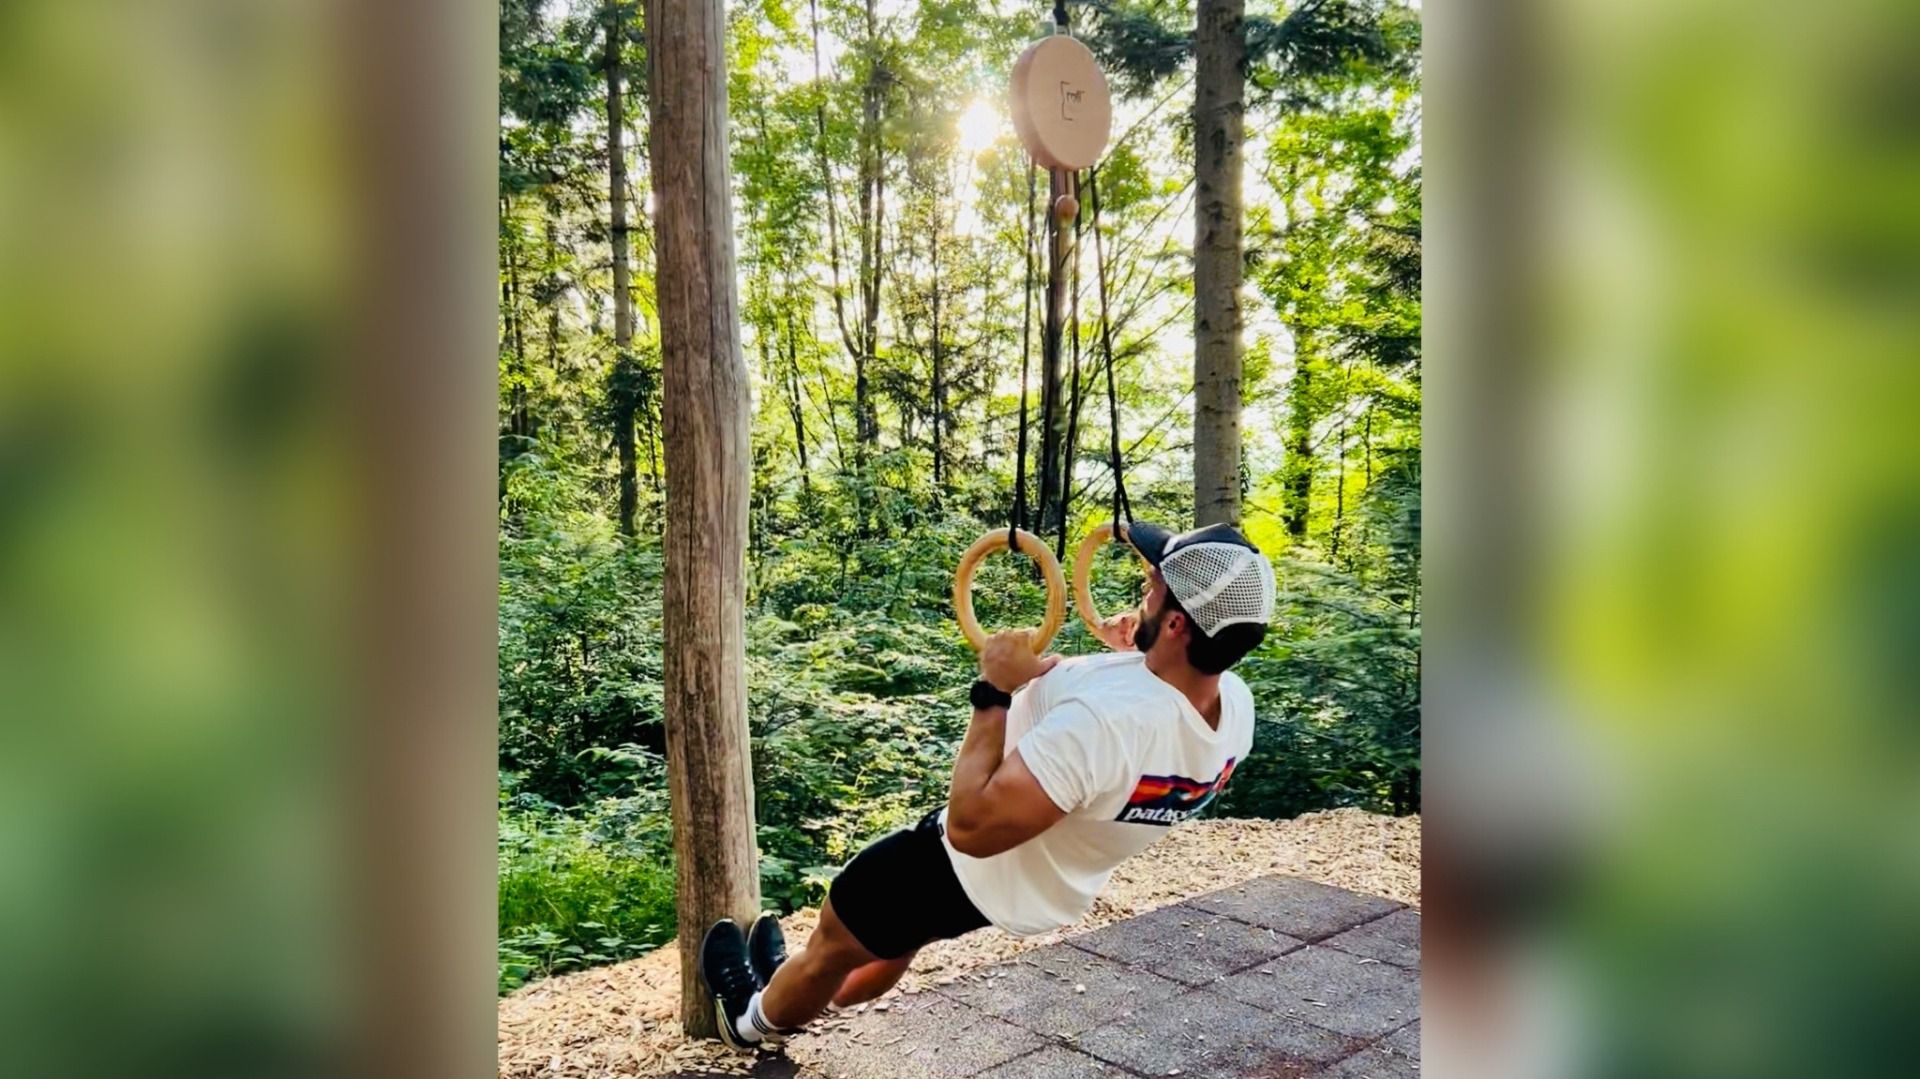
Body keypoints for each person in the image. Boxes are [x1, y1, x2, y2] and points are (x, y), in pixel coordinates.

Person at [696, 521, 1277, 1050]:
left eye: (1152, 591)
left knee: (835, 941)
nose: (1140, 597)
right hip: (1035, 884)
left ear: (1176, 625)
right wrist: (1137, 651)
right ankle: (804, 990)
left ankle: (751, 1020)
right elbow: (1143, 729)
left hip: (962, 864)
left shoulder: (1104, 726)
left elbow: (972, 828)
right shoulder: (1233, 706)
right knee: (895, 938)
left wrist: (994, 690)